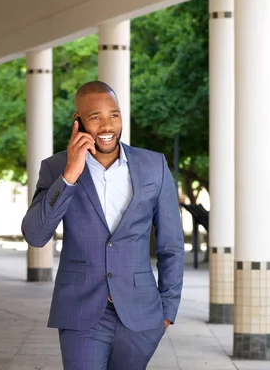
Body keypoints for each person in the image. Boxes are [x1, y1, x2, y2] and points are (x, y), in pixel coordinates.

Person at [21, 80, 185, 369]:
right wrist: (70, 174)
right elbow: (35, 235)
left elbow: (171, 245)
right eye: (95, 117)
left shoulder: (154, 166)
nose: (107, 126)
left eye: (114, 115)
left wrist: (167, 311)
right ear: (78, 121)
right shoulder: (55, 168)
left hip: (141, 316)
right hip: (80, 313)